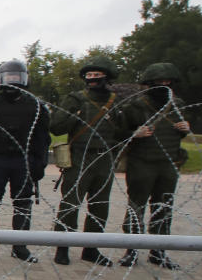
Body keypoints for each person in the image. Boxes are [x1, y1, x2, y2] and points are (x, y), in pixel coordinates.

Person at [50, 56, 127, 266]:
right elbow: (56, 126)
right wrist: (76, 117)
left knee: (100, 206)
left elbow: (124, 131)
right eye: (89, 75)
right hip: (79, 156)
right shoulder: (75, 99)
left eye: (97, 75)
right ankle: (62, 246)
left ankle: (91, 249)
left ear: (107, 77)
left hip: (105, 157)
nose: (92, 78)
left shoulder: (116, 102)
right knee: (71, 203)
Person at [0, 60, 50, 262]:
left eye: (16, 78)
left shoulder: (36, 107)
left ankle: (20, 246)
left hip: (22, 161)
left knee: (23, 204)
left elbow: (43, 139)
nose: (12, 83)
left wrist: (40, 164)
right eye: (9, 79)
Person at [117, 62, 189, 269]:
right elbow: (119, 134)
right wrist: (134, 133)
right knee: (136, 206)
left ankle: (158, 250)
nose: (164, 85)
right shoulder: (136, 106)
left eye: (168, 82)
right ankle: (131, 249)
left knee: (164, 207)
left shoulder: (178, 105)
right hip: (142, 162)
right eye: (159, 82)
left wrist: (185, 129)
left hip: (168, 162)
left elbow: (181, 130)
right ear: (149, 83)